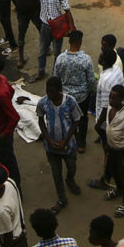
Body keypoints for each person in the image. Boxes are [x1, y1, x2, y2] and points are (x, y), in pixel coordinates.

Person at [37, 76, 83, 213]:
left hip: (68, 146)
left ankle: (70, 179)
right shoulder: (43, 102)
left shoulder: (70, 102)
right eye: (47, 91)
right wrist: (49, 140)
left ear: (60, 91)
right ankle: (62, 198)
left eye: (52, 92)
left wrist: (66, 140)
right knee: (56, 173)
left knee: (71, 166)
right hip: (51, 147)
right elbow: (40, 120)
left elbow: (76, 121)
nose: (49, 95)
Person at [94, 82, 124, 215]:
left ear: (121, 99)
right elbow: (106, 127)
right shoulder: (109, 109)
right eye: (110, 97)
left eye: (114, 98)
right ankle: (118, 189)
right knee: (114, 172)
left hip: (122, 151)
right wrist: (106, 143)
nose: (111, 100)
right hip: (111, 148)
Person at [26, 0, 73, 82]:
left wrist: (71, 28)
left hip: (57, 27)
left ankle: (55, 76)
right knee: (42, 51)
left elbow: (67, 11)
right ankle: (40, 72)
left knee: (57, 53)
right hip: (45, 26)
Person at [54, 31, 95, 153]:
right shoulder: (85, 59)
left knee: (68, 119)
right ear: (80, 42)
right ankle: (81, 144)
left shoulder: (60, 58)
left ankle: (70, 140)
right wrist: (92, 93)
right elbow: (91, 80)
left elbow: (56, 77)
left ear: (69, 42)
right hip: (82, 97)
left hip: (66, 96)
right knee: (82, 119)